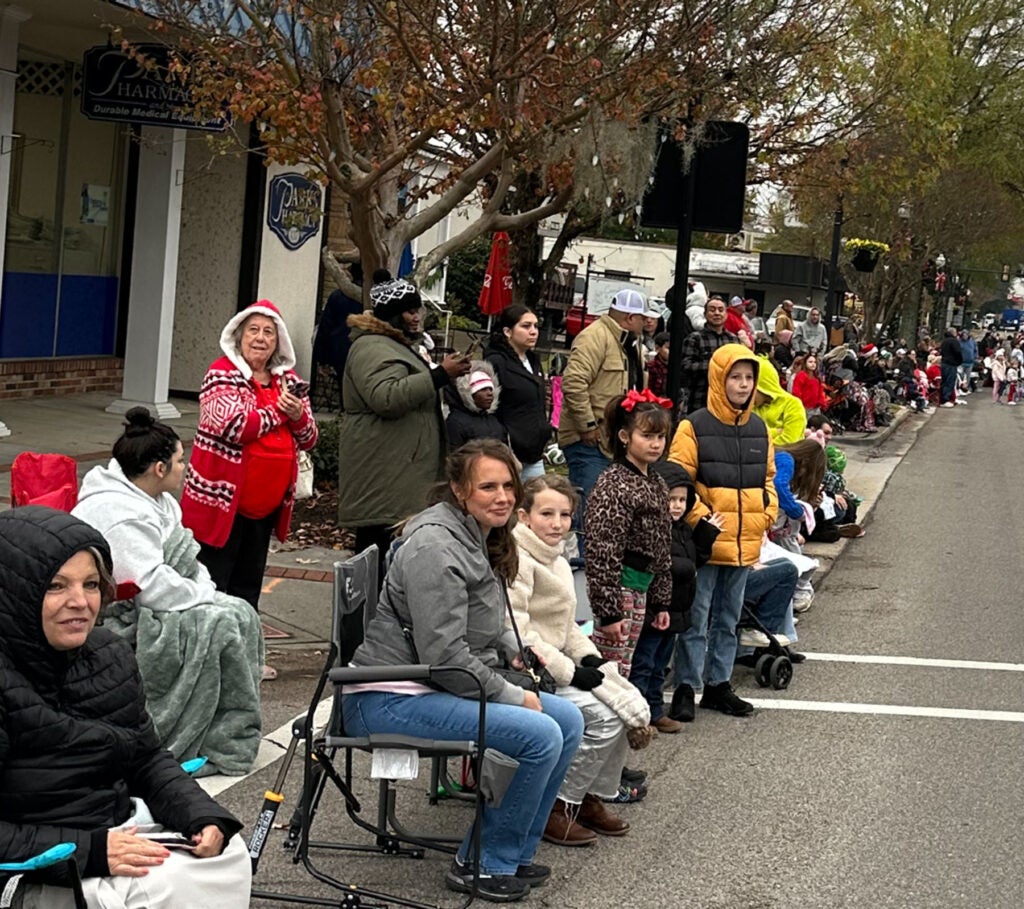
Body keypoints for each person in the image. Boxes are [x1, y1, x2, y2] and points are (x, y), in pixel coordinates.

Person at [341, 440, 584, 904]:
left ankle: (511, 853)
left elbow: (477, 622)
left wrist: (512, 648)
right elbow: (448, 659)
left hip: (425, 684)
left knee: (569, 721)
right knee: (539, 734)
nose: (503, 497)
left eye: (509, 485)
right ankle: (482, 863)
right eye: (488, 486)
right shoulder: (435, 547)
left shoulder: (476, 532)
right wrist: (514, 696)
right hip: (385, 698)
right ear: (458, 489)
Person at [0, 507, 251, 909]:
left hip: (112, 833)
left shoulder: (109, 654)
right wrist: (90, 851)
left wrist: (200, 814)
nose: (80, 602)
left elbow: (145, 756)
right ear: (13, 593)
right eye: (56, 586)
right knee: (159, 888)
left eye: (91, 584)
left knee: (227, 850)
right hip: (35, 866)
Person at [72, 409, 263, 773]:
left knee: (241, 611)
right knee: (218, 624)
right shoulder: (118, 512)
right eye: (179, 461)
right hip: (121, 614)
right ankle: (201, 739)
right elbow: (149, 587)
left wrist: (204, 589)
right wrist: (203, 595)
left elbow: (185, 559)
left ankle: (228, 731)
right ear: (159, 469)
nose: (184, 468)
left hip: (158, 597)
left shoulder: (158, 501)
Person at [508, 475, 631, 847]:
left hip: (556, 662)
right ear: (524, 516)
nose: (557, 523)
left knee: (623, 704)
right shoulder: (518, 559)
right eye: (546, 514)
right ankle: (557, 805)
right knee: (605, 718)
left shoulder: (555, 557)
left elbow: (565, 626)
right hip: (529, 672)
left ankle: (587, 795)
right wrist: (571, 671)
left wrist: (589, 656)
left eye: (564, 515)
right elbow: (517, 632)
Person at [181, 300, 318, 615]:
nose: (260, 338)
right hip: (220, 507)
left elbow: (310, 438)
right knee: (212, 589)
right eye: (253, 330)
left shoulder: (289, 380)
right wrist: (282, 412)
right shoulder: (221, 374)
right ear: (239, 336)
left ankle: (242, 644)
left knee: (247, 591)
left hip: (265, 510)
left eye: (269, 332)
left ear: (278, 341)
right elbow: (235, 426)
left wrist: (298, 416)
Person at [337, 277, 471, 589]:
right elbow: (386, 397)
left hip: (396, 472)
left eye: (418, 310)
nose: (417, 317)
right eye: (409, 311)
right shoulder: (372, 346)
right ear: (390, 315)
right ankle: (367, 616)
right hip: (386, 476)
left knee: (389, 561)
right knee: (378, 560)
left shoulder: (392, 346)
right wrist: (440, 375)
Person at [668, 345, 778, 719]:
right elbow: (678, 480)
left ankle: (718, 684)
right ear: (719, 378)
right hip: (706, 542)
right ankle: (686, 685)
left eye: (749, 378)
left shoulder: (760, 429)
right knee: (696, 619)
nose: (743, 385)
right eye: (735, 377)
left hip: (745, 540)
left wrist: (766, 514)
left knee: (729, 620)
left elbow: (768, 479)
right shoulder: (693, 426)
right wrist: (703, 522)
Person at [584, 390, 673, 681]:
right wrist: (609, 611)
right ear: (625, 437)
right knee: (610, 670)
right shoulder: (614, 483)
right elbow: (602, 550)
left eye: (660, 436)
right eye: (647, 436)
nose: (655, 444)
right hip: (620, 587)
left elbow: (661, 545)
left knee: (625, 667)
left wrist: (661, 600)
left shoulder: (656, 481)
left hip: (642, 588)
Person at [642, 460, 722, 726]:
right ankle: (641, 714)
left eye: (682, 500)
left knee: (659, 665)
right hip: (656, 609)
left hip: (676, 610)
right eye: (670, 499)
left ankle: (654, 712)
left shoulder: (683, 529)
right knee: (645, 664)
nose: (676, 505)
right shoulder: (652, 529)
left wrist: (706, 534)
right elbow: (668, 565)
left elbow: (694, 558)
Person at [557, 288, 645, 511]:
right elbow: (574, 383)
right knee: (589, 511)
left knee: (606, 511)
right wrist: (587, 427)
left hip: (611, 442)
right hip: (589, 442)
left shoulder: (629, 343)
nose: (646, 323)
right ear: (630, 318)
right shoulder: (594, 337)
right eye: (643, 318)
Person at [485, 305, 549, 479]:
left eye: (536, 326)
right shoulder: (496, 362)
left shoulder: (533, 360)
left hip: (534, 454)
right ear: (508, 331)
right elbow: (489, 411)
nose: (533, 332)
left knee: (540, 495)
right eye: (526, 326)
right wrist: (504, 447)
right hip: (507, 454)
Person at [310, 262, 364, 409]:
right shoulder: (372, 298)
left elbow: (325, 327)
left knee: (344, 386)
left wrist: (322, 359)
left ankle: (345, 413)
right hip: (364, 348)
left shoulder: (338, 296)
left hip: (340, 348)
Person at [680, 296, 739, 414]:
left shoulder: (733, 340)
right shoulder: (695, 338)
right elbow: (685, 366)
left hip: (727, 400)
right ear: (705, 314)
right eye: (712, 310)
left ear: (726, 314)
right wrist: (716, 366)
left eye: (721, 310)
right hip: (700, 399)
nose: (717, 313)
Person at [445, 363, 509, 449]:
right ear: (469, 393)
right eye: (483, 389)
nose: (490, 393)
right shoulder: (455, 422)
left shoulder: (494, 421)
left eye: (491, 389)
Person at [753, 356, 807, 445]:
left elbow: (790, 441)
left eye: (752, 390)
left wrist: (759, 441)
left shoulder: (792, 404)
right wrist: (776, 432)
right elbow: (746, 435)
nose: (747, 395)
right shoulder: (750, 407)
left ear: (764, 386)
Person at [939, 328, 964, 407]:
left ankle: (942, 399)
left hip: (944, 363)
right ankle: (945, 399)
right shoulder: (954, 341)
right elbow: (958, 352)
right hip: (951, 363)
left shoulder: (944, 341)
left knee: (944, 381)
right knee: (949, 382)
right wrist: (959, 361)